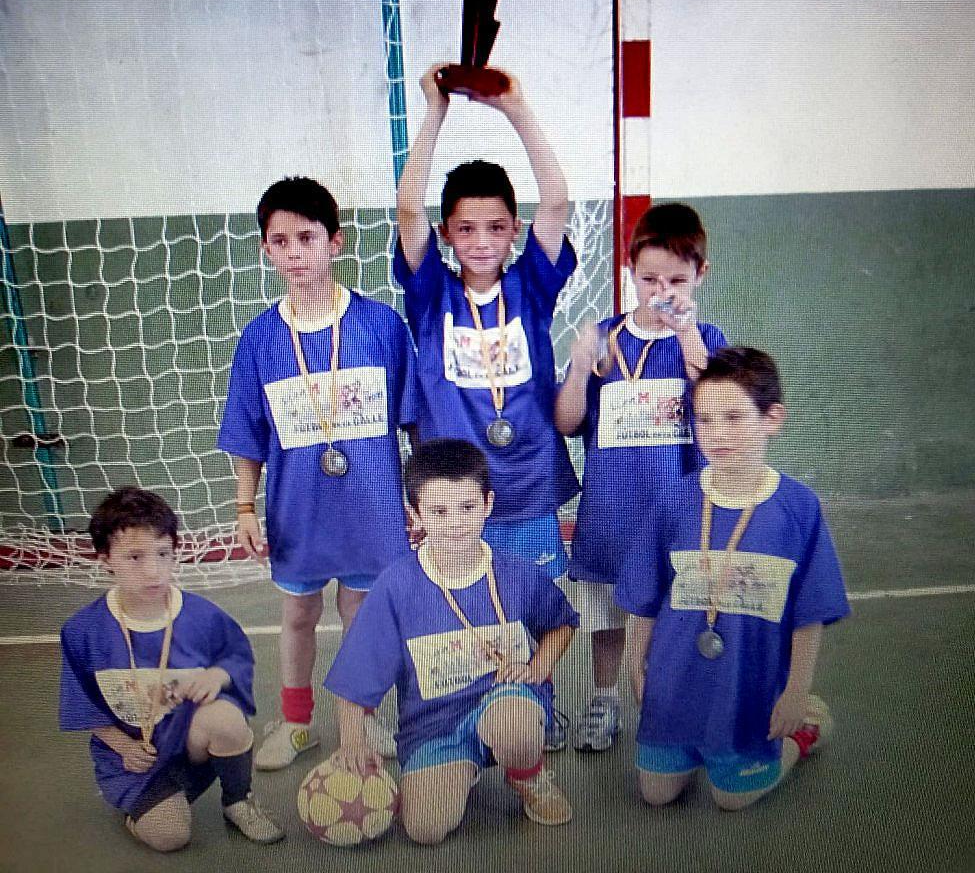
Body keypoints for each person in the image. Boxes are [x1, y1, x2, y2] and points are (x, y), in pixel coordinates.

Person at [218, 176, 416, 770]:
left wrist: (416, 497)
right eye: (280, 241)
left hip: (374, 504)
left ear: (336, 242)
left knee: (362, 613)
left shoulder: (381, 327)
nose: (295, 252)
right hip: (298, 510)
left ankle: (364, 716)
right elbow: (247, 433)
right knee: (298, 614)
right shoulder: (258, 340)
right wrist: (244, 507)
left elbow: (414, 423)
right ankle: (299, 722)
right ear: (265, 250)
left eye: (307, 237)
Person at [617, 347, 850, 810]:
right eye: (704, 420)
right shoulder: (673, 501)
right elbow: (644, 599)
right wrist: (634, 667)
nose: (716, 434)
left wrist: (796, 689)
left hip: (748, 680)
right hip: (677, 677)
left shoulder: (798, 508)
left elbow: (810, 612)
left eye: (734, 418)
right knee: (657, 794)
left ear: (772, 419)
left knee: (731, 799)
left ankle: (806, 729)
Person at [325, 438, 578, 843]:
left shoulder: (515, 574)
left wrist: (538, 668)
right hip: (435, 722)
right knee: (426, 830)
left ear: (488, 504)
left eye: (467, 507)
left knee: (515, 728)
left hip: (507, 699)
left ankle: (529, 774)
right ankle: (462, 764)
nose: (456, 522)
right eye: (439, 511)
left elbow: (562, 624)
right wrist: (352, 740)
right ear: (416, 514)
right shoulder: (397, 586)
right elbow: (357, 674)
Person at [394, 65, 580, 586]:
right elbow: (409, 210)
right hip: (454, 495)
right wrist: (436, 111)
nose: (481, 241)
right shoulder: (433, 296)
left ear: (515, 230)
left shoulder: (531, 289)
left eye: (497, 227)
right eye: (467, 229)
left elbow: (557, 201)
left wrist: (514, 107)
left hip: (529, 484)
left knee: (535, 618)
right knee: (462, 622)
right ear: (446, 233)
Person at [555, 202, 726, 752]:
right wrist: (581, 366)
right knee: (606, 617)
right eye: (649, 277)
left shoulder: (706, 339)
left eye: (676, 279)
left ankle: (671, 699)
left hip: (678, 513)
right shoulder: (603, 339)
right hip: (610, 511)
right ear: (629, 270)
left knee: (674, 617)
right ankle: (605, 698)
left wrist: (685, 332)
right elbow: (566, 421)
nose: (661, 289)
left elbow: (714, 398)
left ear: (700, 276)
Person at [59, 487, 284, 851]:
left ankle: (237, 799)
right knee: (170, 837)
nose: (153, 571)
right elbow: (82, 705)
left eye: (163, 554)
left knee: (226, 719)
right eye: (134, 557)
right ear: (104, 559)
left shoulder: (202, 617)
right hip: (132, 757)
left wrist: (217, 675)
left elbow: (237, 657)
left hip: (188, 741)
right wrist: (123, 747)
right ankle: (146, 806)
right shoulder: (84, 631)